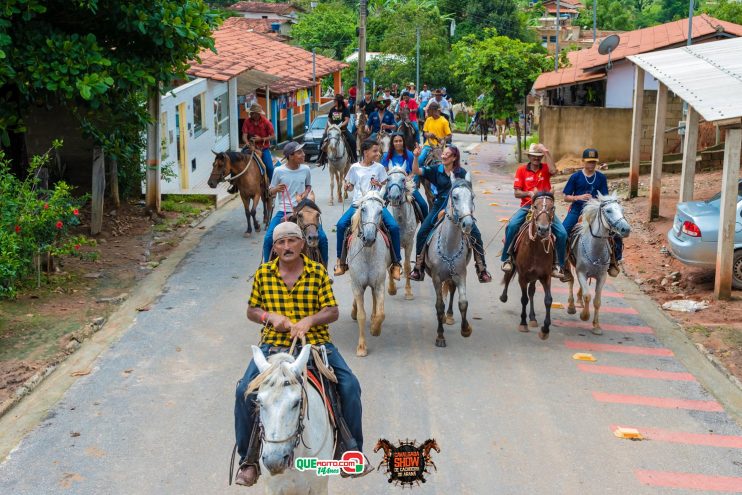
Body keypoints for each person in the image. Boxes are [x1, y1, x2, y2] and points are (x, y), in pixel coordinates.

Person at [234, 222, 369, 486]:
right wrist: (269, 316)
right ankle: (249, 459)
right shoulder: (263, 274)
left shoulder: (317, 272)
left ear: (302, 244)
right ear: (274, 248)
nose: (286, 247)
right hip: (272, 346)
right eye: (281, 242)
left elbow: (332, 311)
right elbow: (252, 310)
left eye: (292, 241)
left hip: (316, 345)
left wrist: (309, 321)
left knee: (350, 386)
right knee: (243, 392)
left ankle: (351, 450)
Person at [409, 145, 492, 283]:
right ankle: (418, 267)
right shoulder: (436, 170)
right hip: (439, 205)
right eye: (443, 154)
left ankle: (481, 268)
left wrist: (468, 212)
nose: (443, 156)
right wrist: (416, 157)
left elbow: (468, 196)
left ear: (454, 157)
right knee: (422, 232)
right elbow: (416, 170)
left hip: (458, 208)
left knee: (475, 234)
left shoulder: (462, 173)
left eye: (447, 154)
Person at [334, 139, 402, 280]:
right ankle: (340, 262)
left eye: (378, 151)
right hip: (358, 205)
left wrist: (378, 185)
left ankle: (396, 264)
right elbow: (351, 185)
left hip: (377, 204)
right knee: (341, 225)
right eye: (375, 151)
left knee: (394, 227)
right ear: (365, 152)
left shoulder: (379, 168)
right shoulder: (354, 168)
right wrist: (347, 186)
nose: (378, 153)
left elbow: (385, 186)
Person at [500, 143, 568, 280]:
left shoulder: (545, 168)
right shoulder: (521, 170)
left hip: (546, 208)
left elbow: (554, 171)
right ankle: (506, 259)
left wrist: (547, 151)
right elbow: (516, 192)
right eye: (534, 156)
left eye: (539, 156)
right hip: (528, 206)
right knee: (512, 225)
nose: (536, 159)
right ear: (529, 157)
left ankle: (559, 265)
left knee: (562, 233)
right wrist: (529, 193)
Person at [262, 142, 328, 265]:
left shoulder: (306, 169)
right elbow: (270, 191)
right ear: (291, 156)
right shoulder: (278, 171)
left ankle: (324, 270)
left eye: (302, 152)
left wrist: (306, 192)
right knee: (268, 238)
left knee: (322, 238)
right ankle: (266, 268)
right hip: (284, 210)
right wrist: (276, 189)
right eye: (299, 152)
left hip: (304, 209)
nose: (303, 154)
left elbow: (308, 185)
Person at [562, 148, 621, 278]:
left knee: (615, 232)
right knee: (562, 232)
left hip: (596, 212)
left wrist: (596, 201)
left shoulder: (600, 177)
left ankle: (613, 261)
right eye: (589, 162)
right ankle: (563, 264)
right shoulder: (575, 177)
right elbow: (566, 197)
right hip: (577, 210)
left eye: (594, 162)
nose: (591, 164)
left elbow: (605, 197)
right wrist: (578, 197)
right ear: (583, 161)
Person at [381, 133, 429, 218]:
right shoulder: (387, 156)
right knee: (378, 203)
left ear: (403, 142)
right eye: (396, 141)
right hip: (391, 183)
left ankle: (425, 227)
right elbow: (384, 171)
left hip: (406, 183)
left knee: (423, 204)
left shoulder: (409, 154)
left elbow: (414, 171)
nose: (398, 143)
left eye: (400, 141)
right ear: (392, 143)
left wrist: (409, 177)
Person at [318, 94, 357, 165]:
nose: (334, 102)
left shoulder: (345, 110)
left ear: (339, 101)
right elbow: (328, 120)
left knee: (352, 141)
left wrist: (340, 126)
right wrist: (325, 130)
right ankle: (320, 159)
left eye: (335, 101)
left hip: (342, 130)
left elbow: (346, 120)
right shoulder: (332, 109)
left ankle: (354, 159)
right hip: (332, 130)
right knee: (322, 141)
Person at [241, 103, 276, 181]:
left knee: (270, 168)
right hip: (250, 146)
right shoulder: (247, 121)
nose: (250, 114)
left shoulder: (266, 122)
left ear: (257, 114)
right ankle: (234, 186)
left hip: (263, 149)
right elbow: (244, 136)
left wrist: (261, 139)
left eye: (252, 113)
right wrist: (247, 143)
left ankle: (271, 185)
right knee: (237, 162)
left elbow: (273, 136)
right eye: (251, 112)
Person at [418, 102, 452, 167]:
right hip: (428, 145)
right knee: (420, 159)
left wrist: (443, 139)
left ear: (434, 111)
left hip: (440, 147)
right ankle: (417, 175)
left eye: (428, 110)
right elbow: (425, 133)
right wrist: (429, 135)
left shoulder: (444, 121)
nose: (427, 112)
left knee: (446, 162)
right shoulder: (428, 120)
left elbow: (449, 135)